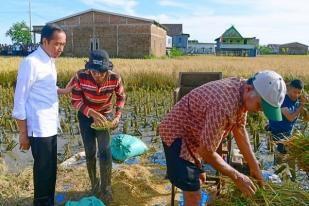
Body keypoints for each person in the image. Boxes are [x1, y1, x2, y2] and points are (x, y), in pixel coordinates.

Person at [159, 70, 286, 205]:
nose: (260, 110)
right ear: (249, 89)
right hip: (178, 134)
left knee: (199, 178)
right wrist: (237, 177)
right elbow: (206, 152)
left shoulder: (242, 90)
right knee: (194, 194)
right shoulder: (222, 106)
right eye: (260, 105)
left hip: (195, 134)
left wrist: (255, 168)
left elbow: (239, 129)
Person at [12, 23, 71, 206]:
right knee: (43, 171)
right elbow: (19, 100)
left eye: (63, 44)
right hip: (38, 128)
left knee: (51, 170)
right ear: (44, 41)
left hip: (50, 125)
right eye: (57, 44)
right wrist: (23, 134)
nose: (60, 48)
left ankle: (49, 202)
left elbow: (45, 88)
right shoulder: (31, 62)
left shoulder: (49, 60)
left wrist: (64, 90)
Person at [70, 49, 125, 204]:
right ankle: (94, 185)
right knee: (90, 151)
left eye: (102, 72)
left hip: (105, 115)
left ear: (108, 69)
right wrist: (91, 112)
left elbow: (121, 97)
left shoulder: (115, 78)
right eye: (94, 72)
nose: (98, 75)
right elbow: (75, 99)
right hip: (86, 115)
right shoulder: (80, 76)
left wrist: (117, 116)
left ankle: (106, 188)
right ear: (89, 68)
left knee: (105, 151)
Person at [269, 79, 306, 154]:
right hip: (278, 133)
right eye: (294, 92)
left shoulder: (297, 100)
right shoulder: (282, 100)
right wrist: (301, 105)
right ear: (289, 89)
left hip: (287, 132)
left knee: (286, 154)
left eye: (299, 93)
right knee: (281, 154)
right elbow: (291, 118)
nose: (296, 95)